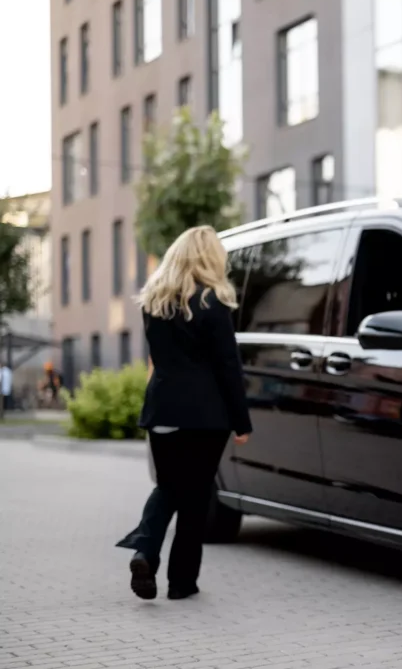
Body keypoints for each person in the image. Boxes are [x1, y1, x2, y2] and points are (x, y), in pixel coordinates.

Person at [116, 226, 252, 601]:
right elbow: (228, 367)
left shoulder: (153, 303)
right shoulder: (213, 303)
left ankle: (145, 553)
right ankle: (181, 584)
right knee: (195, 496)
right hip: (205, 417)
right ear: (210, 258)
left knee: (167, 487)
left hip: (162, 409)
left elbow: (160, 359)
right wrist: (241, 422)